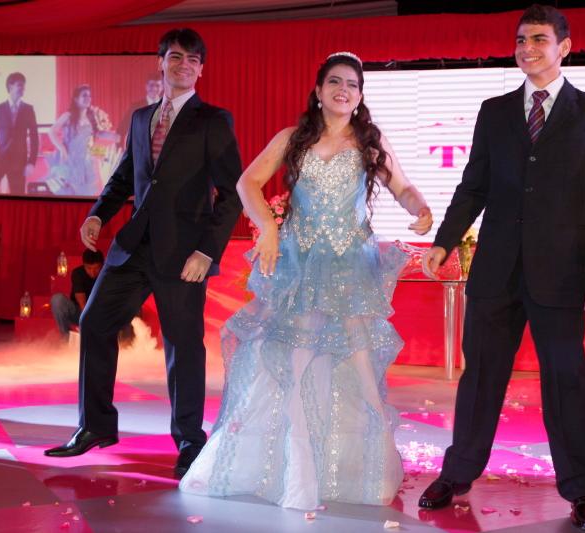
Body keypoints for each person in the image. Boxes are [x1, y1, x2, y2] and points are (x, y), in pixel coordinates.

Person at [179, 51, 433, 510]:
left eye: (352, 84)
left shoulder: (370, 142)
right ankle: (295, 474)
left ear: (359, 96)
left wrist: (421, 209)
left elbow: (402, 187)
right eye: (334, 82)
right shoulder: (292, 138)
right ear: (318, 91)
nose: (343, 90)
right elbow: (246, 183)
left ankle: (364, 472)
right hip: (300, 265)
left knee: (358, 366)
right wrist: (269, 228)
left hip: (351, 267)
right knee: (292, 365)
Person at [418, 5, 585, 531]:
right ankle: (457, 474)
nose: (526, 49)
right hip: (496, 270)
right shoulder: (494, 111)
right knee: (481, 377)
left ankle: (581, 490)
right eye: (520, 40)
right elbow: (474, 186)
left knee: (566, 380)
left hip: (563, 273)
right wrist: (444, 242)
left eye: (538, 39)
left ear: (564, 47)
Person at [44, 28, 244, 482]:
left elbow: (231, 194)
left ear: (201, 69)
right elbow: (123, 178)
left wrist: (206, 251)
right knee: (95, 322)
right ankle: (95, 426)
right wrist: (98, 215)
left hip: (184, 255)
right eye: (176, 57)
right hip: (133, 247)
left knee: (183, 348)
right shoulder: (140, 119)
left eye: (193, 60)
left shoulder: (213, 120)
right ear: (161, 63)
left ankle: (189, 440)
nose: (184, 65)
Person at [47, 85, 117, 196]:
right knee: (70, 192)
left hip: (87, 159)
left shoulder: (91, 116)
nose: (88, 98)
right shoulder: (68, 115)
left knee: (87, 192)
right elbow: (52, 131)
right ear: (76, 99)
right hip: (71, 158)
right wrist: (62, 148)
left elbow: (97, 133)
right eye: (84, 95)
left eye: (89, 96)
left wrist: (116, 136)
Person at [0, 72, 39, 195]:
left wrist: (31, 162)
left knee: (18, 199)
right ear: (10, 86)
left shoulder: (28, 109)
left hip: (19, 163)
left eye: (24, 85)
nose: (23, 88)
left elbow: (35, 138)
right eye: (20, 85)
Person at [50, 249, 104, 339]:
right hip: (80, 311)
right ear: (84, 265)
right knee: (57, 300)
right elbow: (81, 300)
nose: (92, 272)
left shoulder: (108, 275)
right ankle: (66, 339)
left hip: (102, 314)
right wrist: (86, 321)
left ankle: (120, 341)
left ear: (102, 265)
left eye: (96, 268)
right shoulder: (78, 273)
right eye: (89, 268)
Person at [117, 75, 163, 145]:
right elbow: (123, 127)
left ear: (162, 87)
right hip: (140, 145)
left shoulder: (167, 106)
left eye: (157, 85)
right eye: (151, 85)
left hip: (161, 145)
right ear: (146, 86)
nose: (154, 88)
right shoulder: (135, 107)